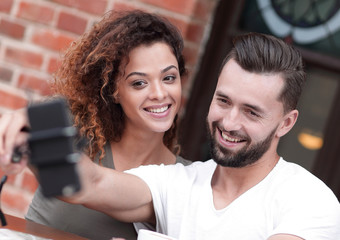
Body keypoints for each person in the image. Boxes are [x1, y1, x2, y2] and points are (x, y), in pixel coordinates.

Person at [1, 33, 340, 239]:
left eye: (251, 112)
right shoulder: (179, 183)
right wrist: (37, 137)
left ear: (286, 123)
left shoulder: (310, 199)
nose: (230, 122)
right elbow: (91, 183)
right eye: (223, 101)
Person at [0, 10, 191, 240]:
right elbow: (30, 124)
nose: (160, 94)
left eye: (169, 78)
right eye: (139, 83)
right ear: (114, 92)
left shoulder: (186, 181)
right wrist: (23, 127)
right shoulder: (76, 126)